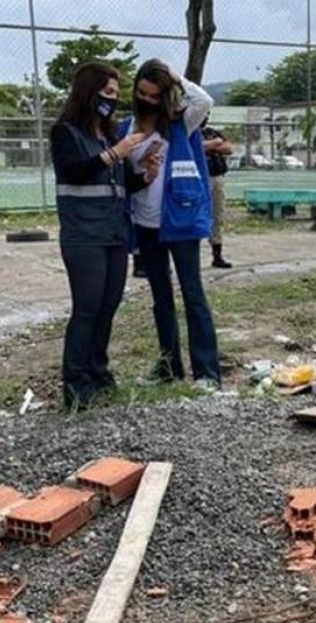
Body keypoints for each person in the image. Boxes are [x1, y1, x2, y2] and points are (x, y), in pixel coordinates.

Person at [49, 61, 156, 411]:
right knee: (87, 308)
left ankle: (99, 372)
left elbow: (121, 181)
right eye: (107, 92)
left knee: (108, 307)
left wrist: (146, 174)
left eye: (115, 94)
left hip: (113, 234)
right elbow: (76, 172)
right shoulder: (65, 132)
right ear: (88, 92)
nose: (112, 99)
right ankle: (75, 383)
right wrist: (116, 153)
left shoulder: (109, 135)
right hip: (83, 236)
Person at [121, 59, 222, 389]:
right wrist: (143, 172)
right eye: (142, 93)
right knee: (160, 297)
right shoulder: (126, 128)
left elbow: (204, 100)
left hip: (180, 220)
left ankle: (206, 372)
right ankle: (168, 366)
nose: (147, 99)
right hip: (145, 223)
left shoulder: (182, 123)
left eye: (154, 94)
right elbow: (126, 175)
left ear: (165, 94)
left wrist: (175, 76)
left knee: (193, 294)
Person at [201, 119, 235, 269]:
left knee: (217, 215)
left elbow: (228, 148)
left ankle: (217, 254)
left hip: (217, 175)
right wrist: (214, 144)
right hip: (200, 177)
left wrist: (212, 146)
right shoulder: (189, 130)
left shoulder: (212, 132)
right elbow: (196, 148)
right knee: (197, 215)